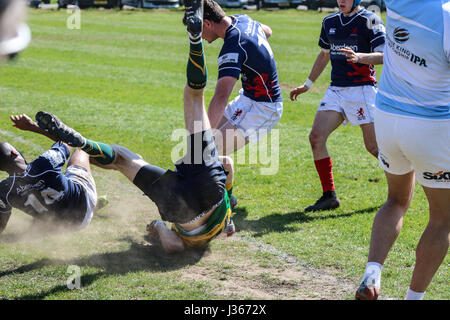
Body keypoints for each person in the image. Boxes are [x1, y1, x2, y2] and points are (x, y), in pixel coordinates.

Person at [34, 0, 236, 253]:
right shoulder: (193, 239)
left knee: (195, 97)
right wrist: (160, 227)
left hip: (212, 189)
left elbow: (227, 162)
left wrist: (229, 193)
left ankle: (195, 41)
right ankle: (82, 144)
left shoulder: (224, 218)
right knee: (120, 159)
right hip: (181, 209)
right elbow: (173, 247)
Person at [355, 0, 450, 300]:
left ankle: (371, 276)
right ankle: (413, 298)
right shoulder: (447, 14)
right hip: (431, 124)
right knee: (442, 219)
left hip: (387, 116)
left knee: (395, 201)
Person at [290, 0, 385, 212]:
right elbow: (324, 54)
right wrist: (307, 85)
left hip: (362, 89)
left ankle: (402, 185)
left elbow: (386, 55)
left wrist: (360, 57)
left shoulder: (371, 20)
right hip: (336, 90)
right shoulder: (329, 21)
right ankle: (329, 196)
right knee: (316, 137)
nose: (341, 1)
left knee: (374, 147)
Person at [0, 114, 98, 233]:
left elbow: (1, 224)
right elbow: (70, 141)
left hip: (61, 228)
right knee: (82, 148)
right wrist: (33, 127)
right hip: (85, 205)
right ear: (14, 152)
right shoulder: (45, 163)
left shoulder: (4, 190)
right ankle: (114, 160)